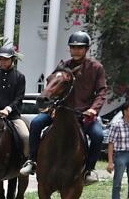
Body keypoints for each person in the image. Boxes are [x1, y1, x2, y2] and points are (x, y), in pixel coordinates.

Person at [20, 30, 108, 179]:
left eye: (79, 47)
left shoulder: (96, 68)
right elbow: (52, 85)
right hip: (60, 111)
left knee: (98, 135)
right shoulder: (63, 66)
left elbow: (102, 91)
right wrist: (51, 106)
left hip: (84, 114)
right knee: (35, 123)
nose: (76, 50)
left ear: (86, 49)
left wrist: (93, 109)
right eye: (73, 47)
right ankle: (32, 160)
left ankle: (90, 170)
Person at [0, 44, 30, 156]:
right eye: (0, 59)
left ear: (12, 59)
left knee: (25, 136)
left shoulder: (20, 77)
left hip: (12, 116)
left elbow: (19, 97)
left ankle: (27, 161)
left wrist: (8, 109)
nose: (2, 62)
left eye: (5, 59)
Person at [108, 103, 129, 199]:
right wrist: (110, 161)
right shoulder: (117, 125)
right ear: (125, 111)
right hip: (121, 154)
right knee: (117, 183)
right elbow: (111, 143)